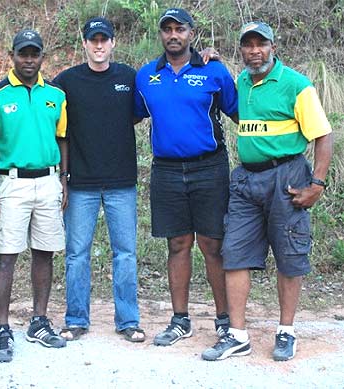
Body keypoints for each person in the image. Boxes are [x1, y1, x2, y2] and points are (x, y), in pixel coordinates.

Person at [202, 22, 333, 362]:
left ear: (273, 47)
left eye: (261, 44)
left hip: (286, 177)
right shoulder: (242, 81)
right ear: (241, 50)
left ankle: (286, 331)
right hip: (246, 180)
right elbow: (221, 92)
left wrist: (316, 184)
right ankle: (238, 335)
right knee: (234, 252)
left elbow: (323, 135)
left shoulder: (296, 85)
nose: (255, 51)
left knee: (289, 255)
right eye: (248, 45)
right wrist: (209, 60)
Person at [134, 8, 238, 346]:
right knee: (178, 244)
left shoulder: (213, 71)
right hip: (166, 170)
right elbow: (126, 117)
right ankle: (180, 320)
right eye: (167, 30)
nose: (173, 35)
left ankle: (225, 320)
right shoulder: (146, 76)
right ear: (161, 35)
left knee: (212, 245)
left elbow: (242, 115)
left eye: (180, 29)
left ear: (192, 33)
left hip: (209, 168)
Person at [53, 17, 145, 343]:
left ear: (113, 43)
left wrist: (202, 58)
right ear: (85, 44)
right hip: (80, 183)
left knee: (125, 253)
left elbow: (148, 102)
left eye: (104, 39)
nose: (99, 45)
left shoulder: (129, 78)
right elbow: (44, 107)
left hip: (121, 181)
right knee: (77, 253)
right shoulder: (67, 81)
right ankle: (76, 319)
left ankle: (128, 320)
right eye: (93, 40)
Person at [0, 29, 68, 362]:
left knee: (44, 251)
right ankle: (2, 328)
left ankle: (39, 321)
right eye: (23, 53)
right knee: (7, 255)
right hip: (12, 183)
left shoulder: (56, 95)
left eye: (34, 54)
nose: (29, 60)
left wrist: (64, 178)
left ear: (42, 58)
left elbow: (62, 138)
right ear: (13, 56)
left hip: (49, 182)